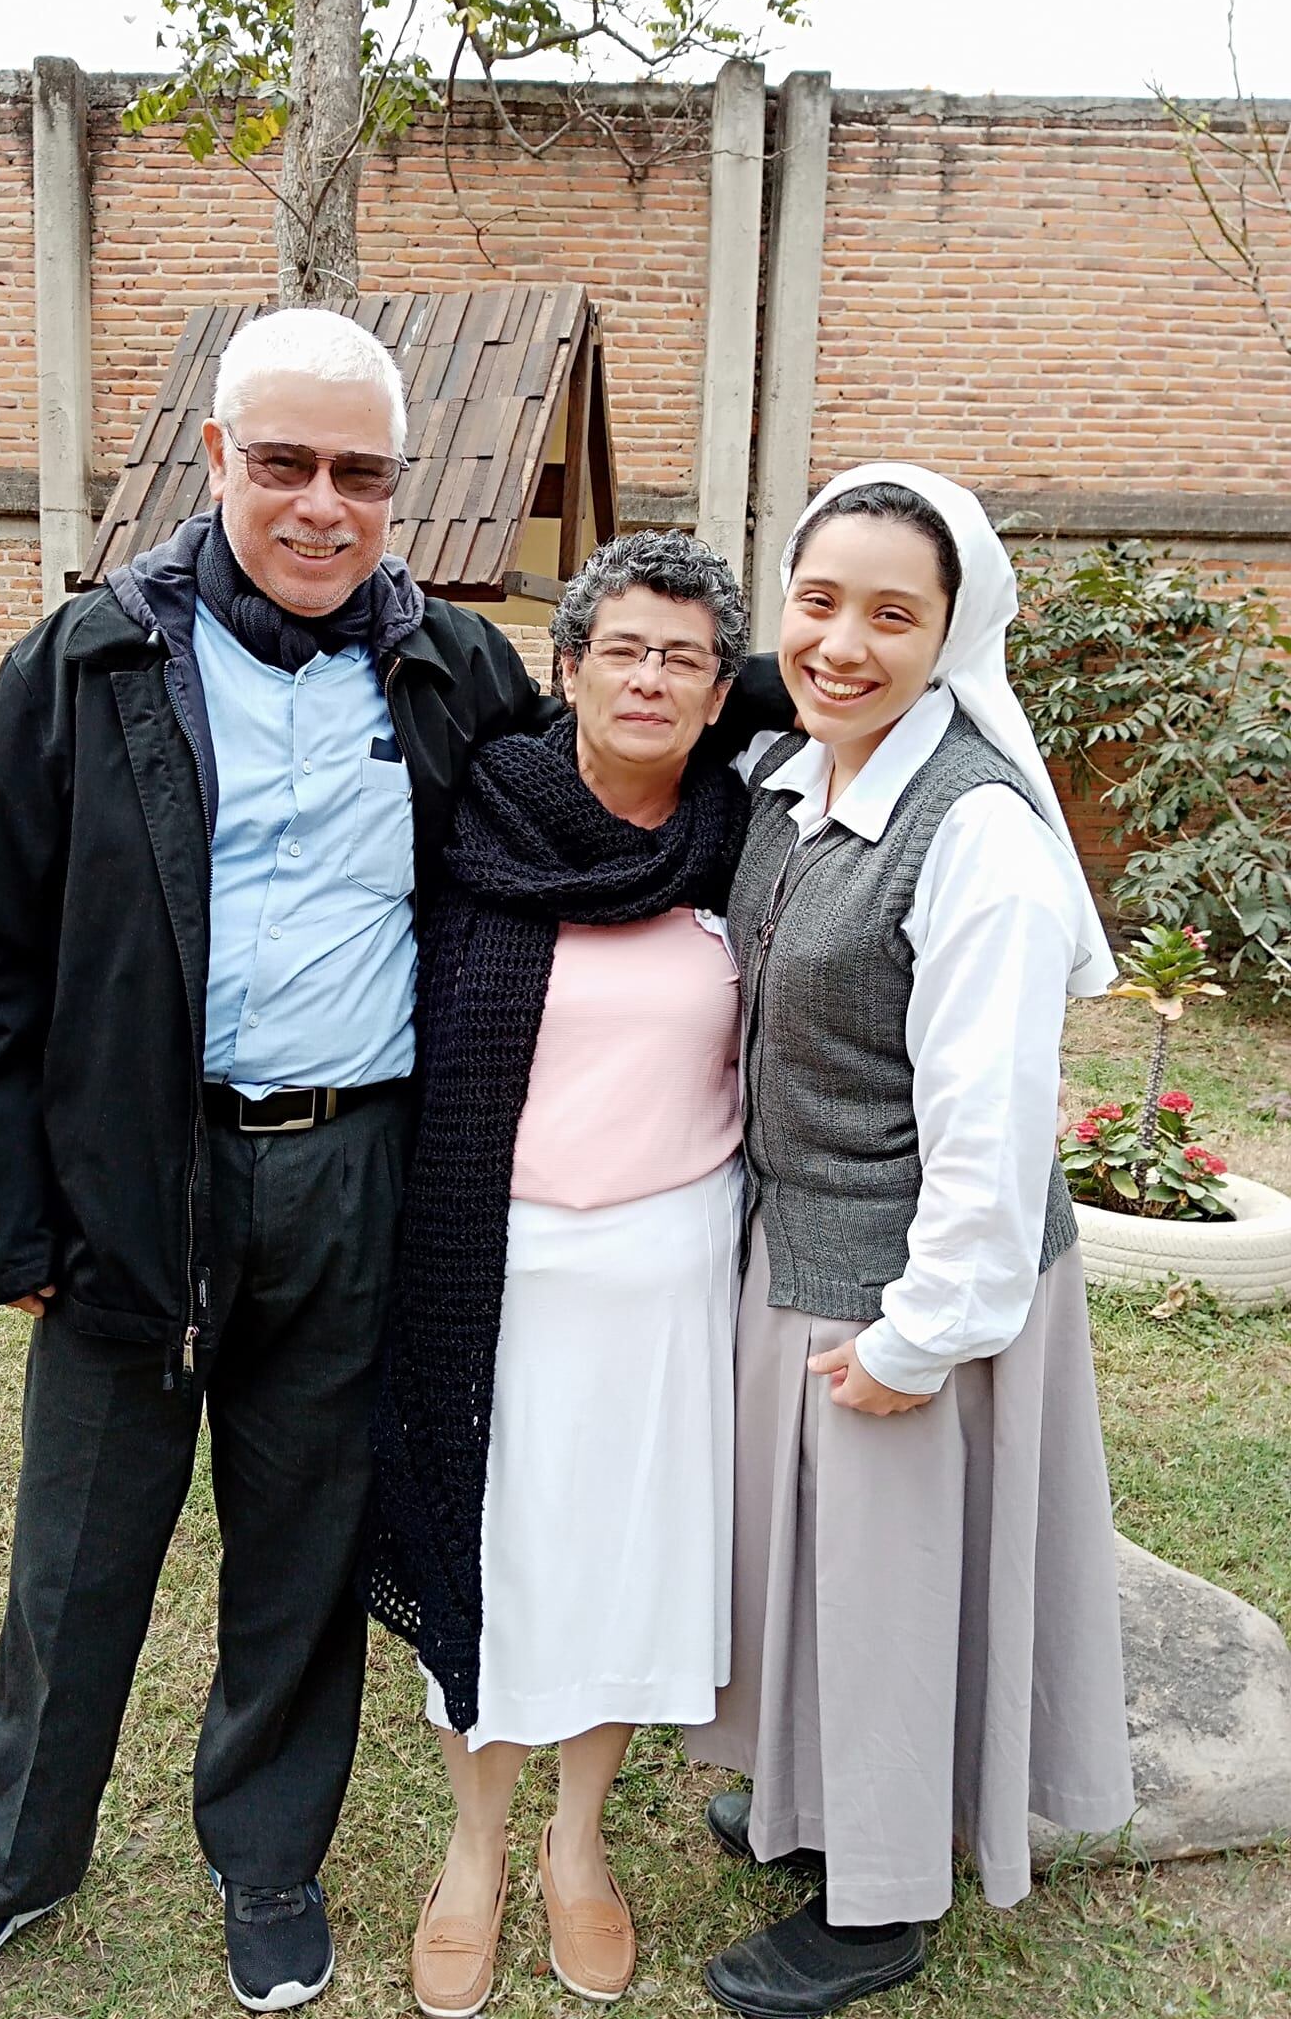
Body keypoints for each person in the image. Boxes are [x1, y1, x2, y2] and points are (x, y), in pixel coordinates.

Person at [0, 308, 552, 2019]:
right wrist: (7, 1223)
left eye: (361, 473)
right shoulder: (86, 664)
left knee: (304, 1550)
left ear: (405, 487)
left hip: (357, 1182)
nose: (323, 505)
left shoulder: (456, 672)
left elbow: (595, 812)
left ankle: (265, 1863)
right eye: (285, 463)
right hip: (133, 1189)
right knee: (77, 1562)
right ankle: (0, 1874)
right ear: (217, 461)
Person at [686, 464, 1136, 2019]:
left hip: (911, 1278)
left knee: (881, 1595)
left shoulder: (978, 839)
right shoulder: (795, 777)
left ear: (954, 636)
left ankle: (878, 1901)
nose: (845, 644)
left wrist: (923, 1332)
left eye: (895, 614)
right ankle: (816, 1804)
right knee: (815, 1571)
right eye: (818, 603)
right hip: (801, 1246)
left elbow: (993, 1119)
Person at [362, 531, 766, 2018]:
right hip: (495, 1271)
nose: (653, 676)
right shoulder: (474, 821)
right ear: (570, 666)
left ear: (727, 693)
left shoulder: (743, 839)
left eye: (688, 657)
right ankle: (472, 1856)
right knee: (498, 1561)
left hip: (669, 1285)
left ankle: (576, 1854)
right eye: (626, 648)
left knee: (623, 1569)